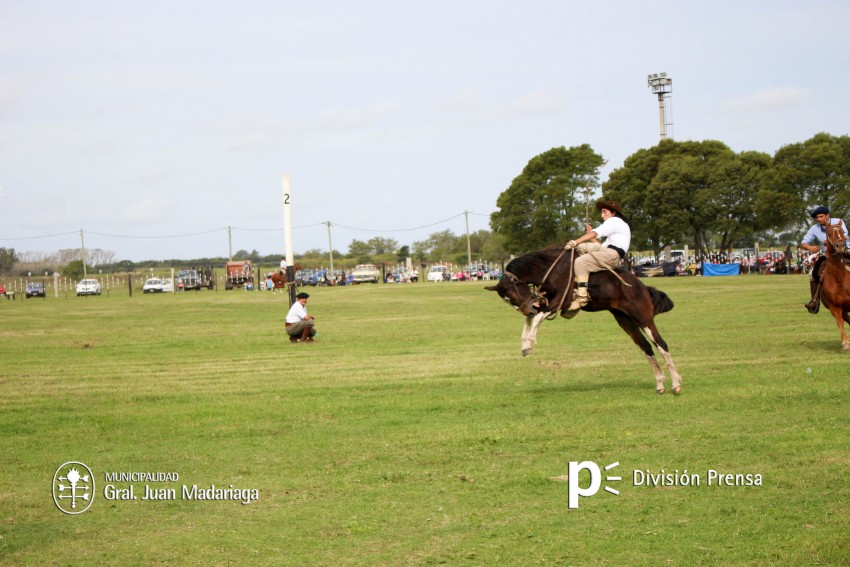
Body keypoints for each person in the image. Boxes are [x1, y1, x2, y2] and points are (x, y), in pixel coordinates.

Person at [563, 200, 631, 316]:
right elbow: (600, 246)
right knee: (580, 248)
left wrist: (575, 241)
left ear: (613, 213)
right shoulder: (618, 226)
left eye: (605, 212)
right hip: (608, 251)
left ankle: (581, 298)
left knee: (580, 262)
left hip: (611, 255)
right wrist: (589, 237)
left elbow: (597, 233)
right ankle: (579, 283)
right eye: (601, 212)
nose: (602, 215)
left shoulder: (614, 221)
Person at [800, 206, 850, 314]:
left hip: (845, 251)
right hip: (828, 256)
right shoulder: (814, 228)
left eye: (821, 216)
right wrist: (810, 248)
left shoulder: (838, 221)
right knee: (812, 273)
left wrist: (831, 239)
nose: (819, 219)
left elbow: (845, 236)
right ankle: (814, 301)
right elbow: (803, 242)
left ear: (827, 215)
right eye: (817, 217)